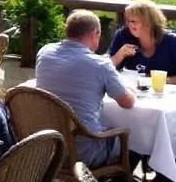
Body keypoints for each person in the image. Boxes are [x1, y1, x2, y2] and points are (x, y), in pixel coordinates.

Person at [35, 9, 135, 168]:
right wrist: (130, 86)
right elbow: (127, 102)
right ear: (95, 33)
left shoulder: (44, 52)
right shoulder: (100, 65)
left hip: (48, 147)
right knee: (134, 140)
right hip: (84, 153)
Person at [109, 0, 176, 87]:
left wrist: (160, 81)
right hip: (135, 93)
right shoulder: (122, 36)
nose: (129, 25)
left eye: (133, 21)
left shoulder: (174, 42)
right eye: (128, 21)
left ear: (149, 22)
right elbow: (104, 69)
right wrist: (119, 55)